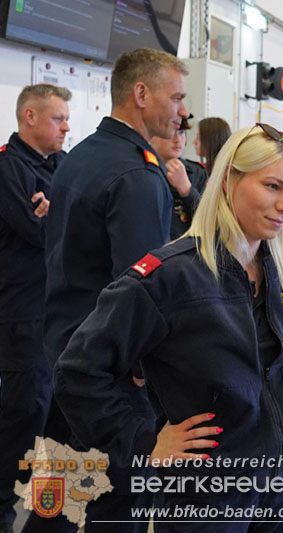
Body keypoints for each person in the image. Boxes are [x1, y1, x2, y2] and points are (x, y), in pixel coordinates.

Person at [52, 124, 283, 531]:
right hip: (206, 494)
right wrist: (143, 443)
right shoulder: (168, 278)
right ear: (228, 181)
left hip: (281, 481)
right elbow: (79, 371)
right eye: (272, 186)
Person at [37, 48, 189, 532]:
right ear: (141, 94)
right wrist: (146, 370)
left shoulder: (82, 156)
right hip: (108, 377)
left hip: (63, 353)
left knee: (54, 499)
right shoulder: (137, 176)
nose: (183, 111)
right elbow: (140, 291)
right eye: (177, 96)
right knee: (118, 507)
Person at [0, 83, 70, 533]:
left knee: (57, 417)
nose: (66, 127)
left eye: (66, 118)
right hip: (21, 314)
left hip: (58, 313)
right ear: (29, 116)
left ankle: (46, 508)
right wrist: (56, 222)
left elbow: (71, 229)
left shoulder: (63, 165)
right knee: (24, 413)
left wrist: (56, 216)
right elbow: (40, 235)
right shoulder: (10, 168)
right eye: (57, 119)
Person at [150, 114, 209, 239]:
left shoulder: (197, 172)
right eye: (172, 132)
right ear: (152, 137)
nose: (178, 139)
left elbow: (208, 221)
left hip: (188, 251)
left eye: (182, 132)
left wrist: (187, 190)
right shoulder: (144, 172)